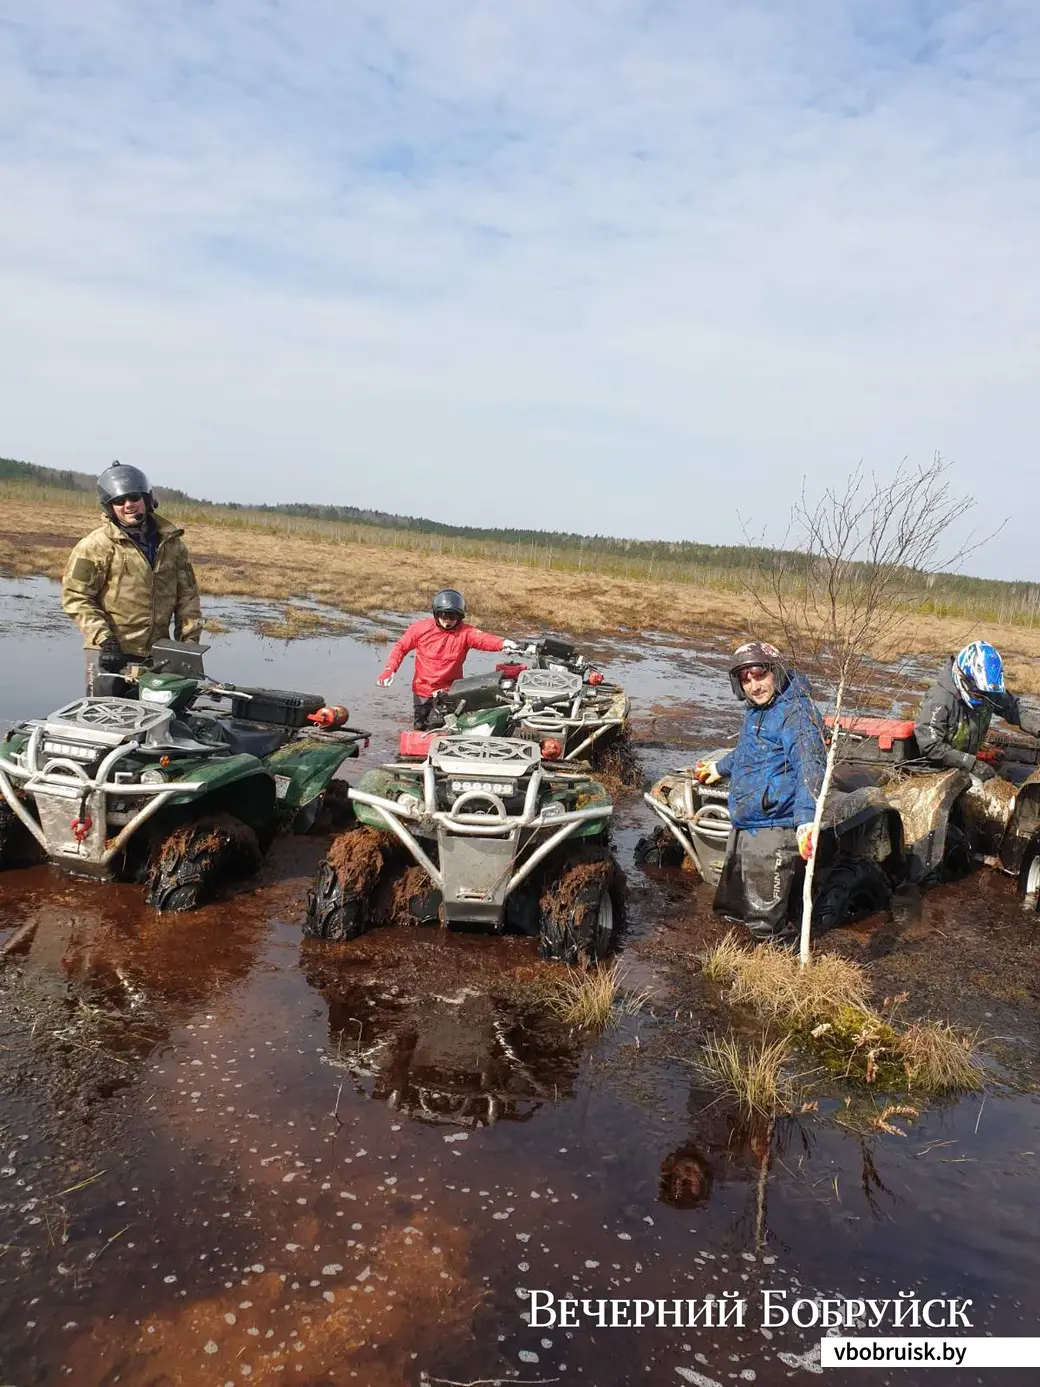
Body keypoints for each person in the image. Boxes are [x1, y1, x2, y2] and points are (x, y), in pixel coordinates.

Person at [694, 641, 826, 942]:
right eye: (745, 678)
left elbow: (811, 767)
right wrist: (719, 768)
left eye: (759, 673)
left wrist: (806, 820)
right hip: (746, 822)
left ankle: (778, 971)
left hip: (772, 825)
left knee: (765, 923)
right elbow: (750, 750)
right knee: (733, 907)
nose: (754, 685)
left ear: (776, 672)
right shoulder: (757, 710)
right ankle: (734, 956)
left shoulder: (797, 713)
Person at [62, 462, 203, 692]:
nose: (128, 505)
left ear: (147, 500)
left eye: (134, 498)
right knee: (106, 720)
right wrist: (105, 640)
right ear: (110, 507)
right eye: (119, 501)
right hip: (109, 655)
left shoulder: (173, 545)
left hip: (158, 657)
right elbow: (76, 597)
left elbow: (188, 597)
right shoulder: (95, 546)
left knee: (160, 721)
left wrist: (187, 647)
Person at [376, 589, 519, 730]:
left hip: (449, 692)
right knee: (420, 728)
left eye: (452, 617)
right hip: (422, 690)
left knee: (443, 728)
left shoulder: (465, 633)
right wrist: (390, 669)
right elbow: (401, 647)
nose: (447, 622)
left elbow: (484, 639)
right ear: (436, 613)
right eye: (444, 616)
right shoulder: (420, 629)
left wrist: (503, 643)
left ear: (460, 616)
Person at [913, 641, 1040, 781]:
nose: (983, 696)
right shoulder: (940, 699)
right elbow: (930, 745)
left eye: (985, 692)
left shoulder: (988, 692)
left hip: (967, 758)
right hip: (937, 766)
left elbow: (1014, 709)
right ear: (964, 678)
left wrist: (1037, 728)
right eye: (978, 692)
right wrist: (971, 763)